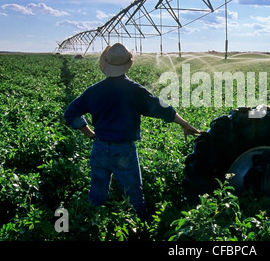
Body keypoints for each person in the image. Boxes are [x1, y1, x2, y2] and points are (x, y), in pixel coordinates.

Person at [64, 43, 199, 220]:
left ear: (106, 63)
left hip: (99, 149)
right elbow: (162, 109)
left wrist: (89, 133)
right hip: (124, 152)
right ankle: (143, 231)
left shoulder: (93, 91)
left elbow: (70, 113)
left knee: (97, 196)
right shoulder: (135, 91)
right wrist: (185, 124)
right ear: (129, 63)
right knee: (134, 196)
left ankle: (93, 229)